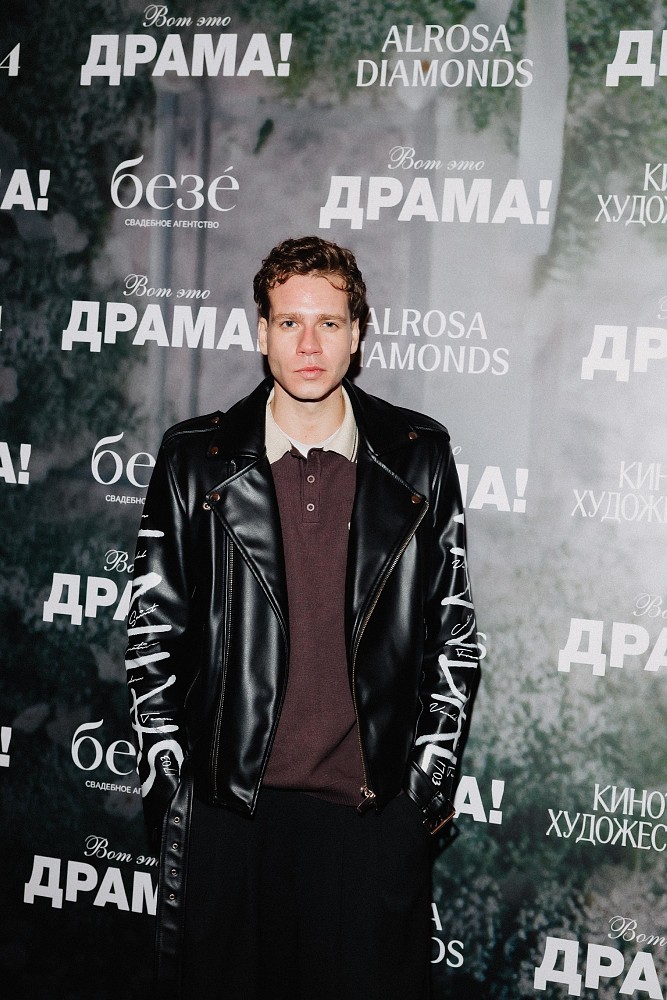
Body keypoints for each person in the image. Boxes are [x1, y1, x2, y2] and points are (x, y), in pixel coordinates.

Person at [126, 235, 479, 1000]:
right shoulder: (195, 459)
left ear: (357, 335)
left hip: (369, 820)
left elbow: (452, 635)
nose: (308, 344)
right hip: (230, 817)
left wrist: (421, 792)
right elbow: (153, 635)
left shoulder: (417, 457)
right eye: (289, 322)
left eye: (328, 323)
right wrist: (175, 786)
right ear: (261, 333)